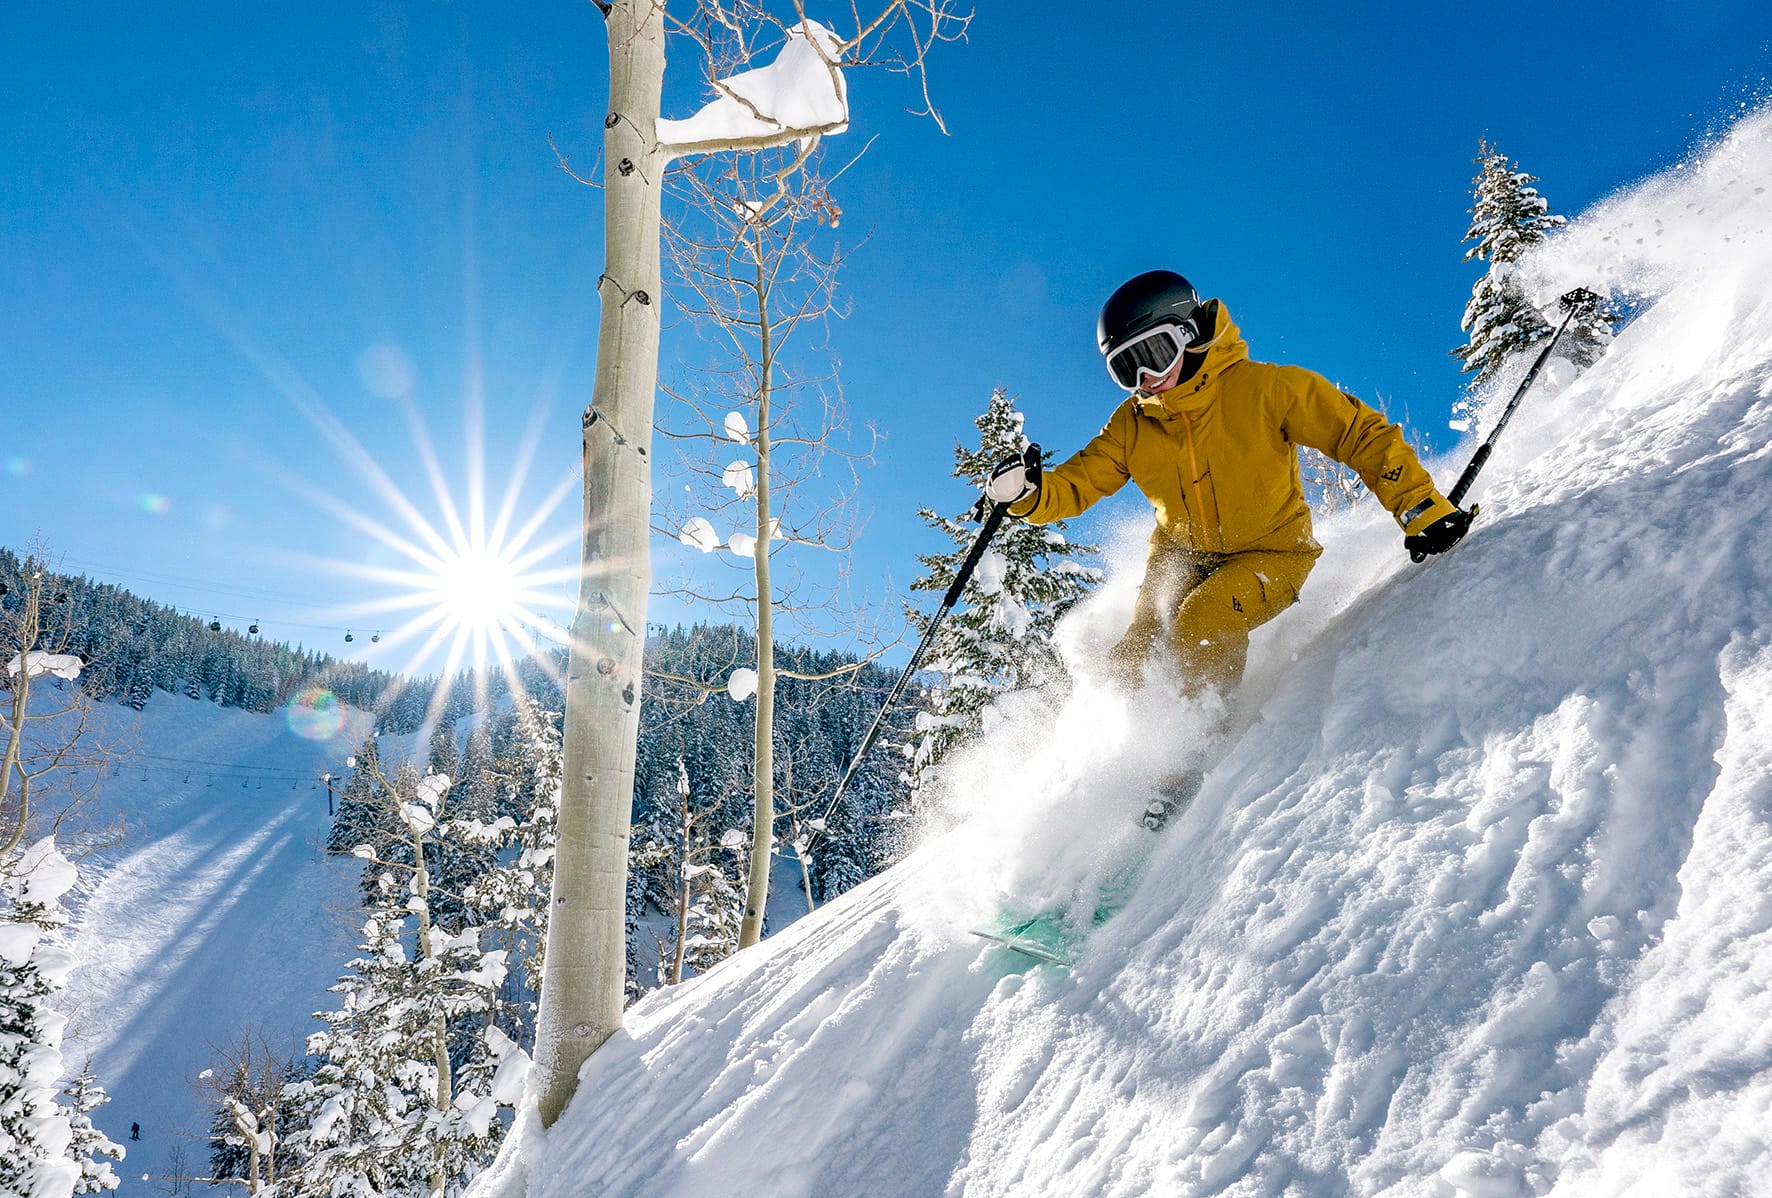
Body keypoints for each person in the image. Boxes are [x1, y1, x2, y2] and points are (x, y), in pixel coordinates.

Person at [984, 271, 1470, 824]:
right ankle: (1106, 772)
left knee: (1201, 621)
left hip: (1271, 555)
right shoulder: (1133, 426)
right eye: (1126, 369)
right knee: (1134, 654)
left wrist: (1420, 506)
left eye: (1155, 353)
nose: (1147, 379)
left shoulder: (1265, 390)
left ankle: (1193, 755)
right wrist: (1027, 494)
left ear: (1190, 333)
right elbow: (1078, 483)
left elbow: (1358, 433)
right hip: (1179, 555)